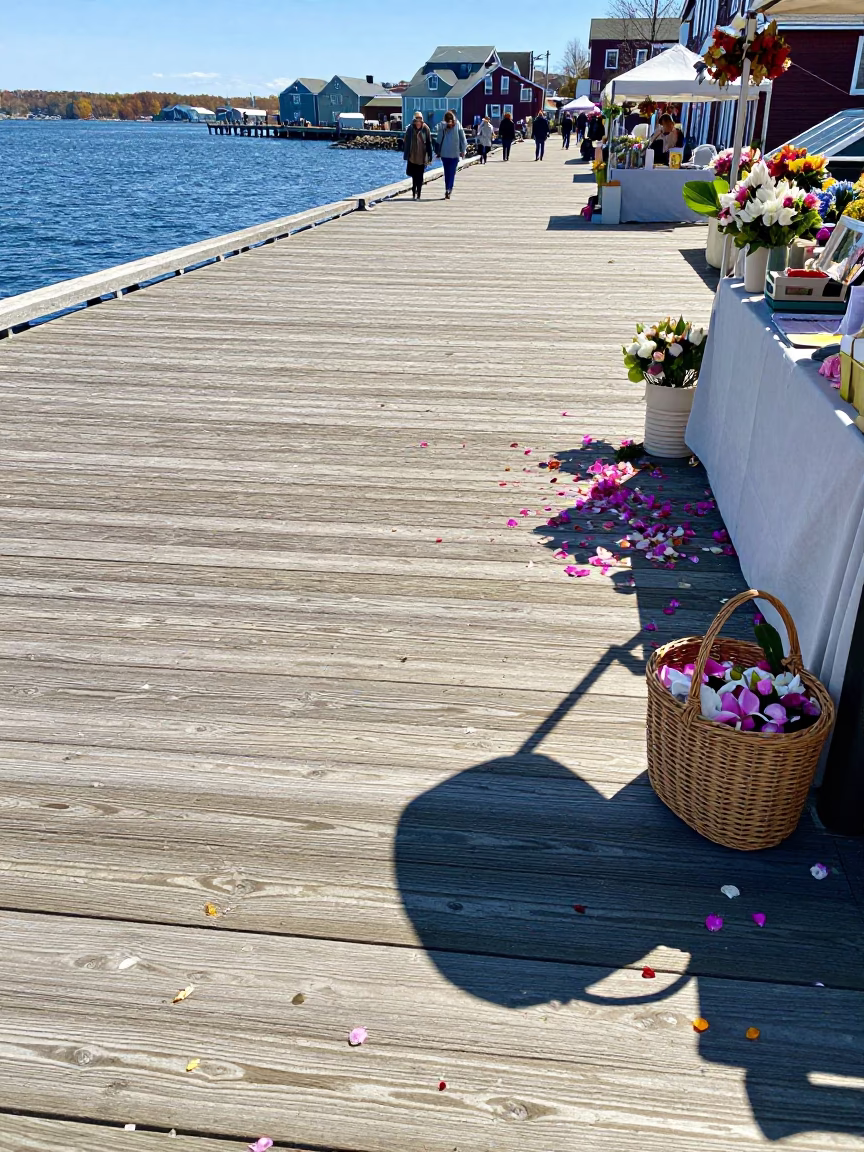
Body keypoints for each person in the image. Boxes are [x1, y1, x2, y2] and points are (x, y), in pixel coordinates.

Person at [436, 109, 467, 199]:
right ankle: (449, 189)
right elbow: (463, 139)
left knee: (447, 172)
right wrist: (463, 150)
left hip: (444, 153)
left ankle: (447, 188)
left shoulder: (442, 125)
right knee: (452, 172)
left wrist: (437, 151)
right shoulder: (458, 125)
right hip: (455, 153)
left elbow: (439, 139)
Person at [404, 110, 433, 199]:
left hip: (422, 157)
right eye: (416, 121)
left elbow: (429, 143)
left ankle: (419, 193)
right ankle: (414, 191)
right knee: (414, 176)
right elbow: (406, 142)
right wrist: (406, 155)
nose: (418, 123)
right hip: (412, 156)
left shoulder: (426, 129)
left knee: (420, 176)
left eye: (420, 121)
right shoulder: (410, 129)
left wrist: (430, 155)